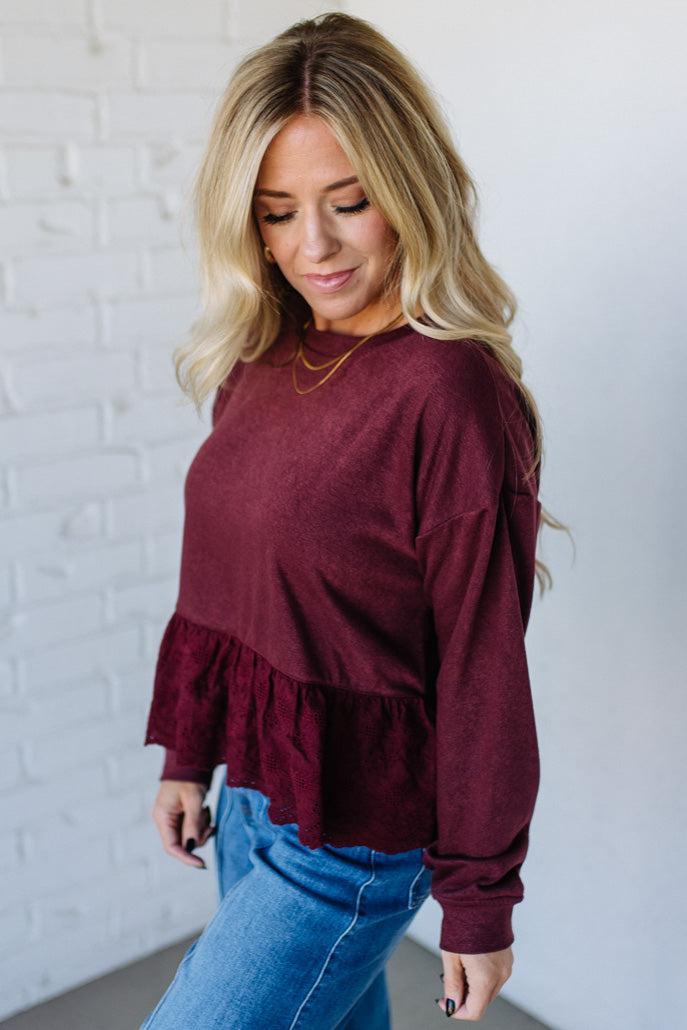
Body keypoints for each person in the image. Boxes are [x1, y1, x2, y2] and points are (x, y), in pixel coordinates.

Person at [140, 11, 565, 1027]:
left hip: (361, 835)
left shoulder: (449, 390)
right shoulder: (260, 357)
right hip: (254, 795)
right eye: (278, 211)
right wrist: (191, 752)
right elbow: (222, 577)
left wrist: (479, 899)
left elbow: (481, 661)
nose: (312, 246)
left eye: (349, 202)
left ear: (406, 191)